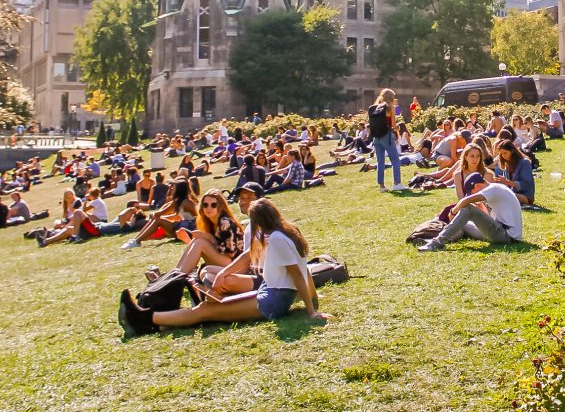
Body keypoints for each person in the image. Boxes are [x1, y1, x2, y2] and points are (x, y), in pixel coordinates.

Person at [118, 199, 328, 334]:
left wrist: (311, 311)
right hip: (268, 292)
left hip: (273, 300)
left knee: (205, 310)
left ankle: (142, 319)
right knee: (209, 309)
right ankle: (163, 323)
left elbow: (298, 274)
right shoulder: (281, 233)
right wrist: (224, 273)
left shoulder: (278, 239)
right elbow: (249, 255)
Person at [417, 172, 524, 251]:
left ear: (477, 186)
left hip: (507, 236)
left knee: (467, 208)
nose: (473, 196)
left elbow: (465, 201)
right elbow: (486, 217)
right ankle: (437, 240)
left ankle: (437, 243)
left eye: (472, 192)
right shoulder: (495, 190)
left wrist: (453, 212)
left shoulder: (493, 189)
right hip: (501, 233)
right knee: (463, 222)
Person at [120, 178, 198, 250]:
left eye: (173, 187)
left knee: (158, 220)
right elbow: (167, 214)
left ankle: (137, 241)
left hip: (189, 229)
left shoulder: (187, 203)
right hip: (180, 227)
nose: (171, 188)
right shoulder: (176, 201)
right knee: (157, 218)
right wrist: (155, 215)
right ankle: (135, 240)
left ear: (179, 190)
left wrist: (157, 215)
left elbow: (198, 217)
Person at [369, 88, 406, 192]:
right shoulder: (391, 107)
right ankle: (397, 183)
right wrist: (396, 128)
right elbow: (393, 124)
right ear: (392, 97)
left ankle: (382, 186)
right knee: (395, 160)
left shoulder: (375, 107)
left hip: (376, 137)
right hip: (386, 136)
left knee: (380, 161)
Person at [493, 140, 535, 207]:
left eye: (505, 153)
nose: (504, 156)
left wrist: (507, 182)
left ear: (512, 151)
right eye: (502, 154)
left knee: (502, 195)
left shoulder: (524, 163)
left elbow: (526, 184)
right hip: (511, 193)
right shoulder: (507, 164)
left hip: (525, 196)